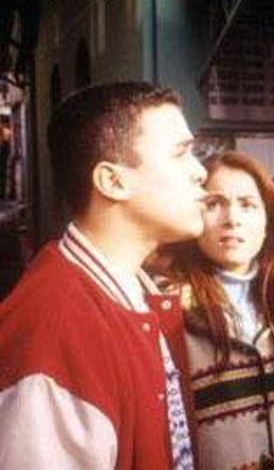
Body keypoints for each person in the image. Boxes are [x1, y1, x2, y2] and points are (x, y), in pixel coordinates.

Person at [0, 82, 207, 468]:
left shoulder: (127, 294)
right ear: (113, 181)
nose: (200, 172)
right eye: (181, 154)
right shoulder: (57, 330)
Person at [157, 151, 274, 469]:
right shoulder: (167, 306)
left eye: (247, 205)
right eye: (214, 203)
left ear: (268, 222)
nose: (232, 218)